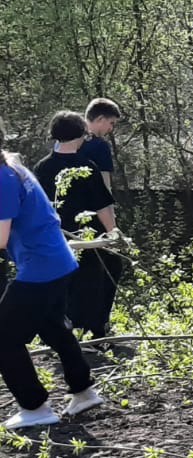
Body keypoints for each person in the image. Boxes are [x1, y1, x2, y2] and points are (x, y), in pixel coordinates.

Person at [0, 149, 103, 429]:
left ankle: (34, 407)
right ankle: (84, 392)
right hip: (57, 262)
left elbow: (1, 237)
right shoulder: (13, 168)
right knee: (54, 327)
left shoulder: (3, 178)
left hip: (40, 267)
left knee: (4, 336)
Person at [33, 112, 123, 341]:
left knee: (60, 287)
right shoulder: (87, 167)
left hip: (54, 241)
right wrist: (114, 233)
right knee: (96, 280)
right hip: (87, 239)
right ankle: (93, 333)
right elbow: (103, 206)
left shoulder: (41, 168)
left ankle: (60, 333)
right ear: (81, 135)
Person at [82, 97, 121, 192]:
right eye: (111, 123)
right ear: (100, 119)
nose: (111, 128)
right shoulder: (100, 146)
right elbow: (105, 187)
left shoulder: (66, 141)